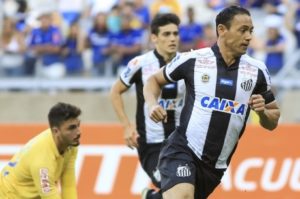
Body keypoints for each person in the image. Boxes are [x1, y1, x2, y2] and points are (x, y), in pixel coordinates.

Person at [143, 5, 280, 199]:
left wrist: (263, 113)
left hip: (215, 166)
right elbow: (153, 81)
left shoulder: (257, 71)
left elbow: (273, 121)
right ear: (222, 30)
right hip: (183, 149)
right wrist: (152, 104)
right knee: (183, 197)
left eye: (251, 31)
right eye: (242, 30)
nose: (249, 37)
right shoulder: (193, 60)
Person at [110, 13, 185, 199]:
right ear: (154, 37)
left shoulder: (187, 63)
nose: (172, 38)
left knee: (188, 191)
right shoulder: (140, 64)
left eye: (175, 33)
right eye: (166, 34)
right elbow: (115, 91)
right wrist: (126, 126)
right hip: (151, 144)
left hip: (181, 142)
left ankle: (150, 197)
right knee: (172, 188)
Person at [0, 102, 81, 199]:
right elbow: (49, 195)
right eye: (71, 128)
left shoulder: (70, 143)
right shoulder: (43, 161)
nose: (78, 132)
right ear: (56, 131)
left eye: (78, 125)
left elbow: (68, 186)